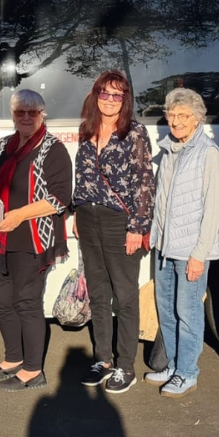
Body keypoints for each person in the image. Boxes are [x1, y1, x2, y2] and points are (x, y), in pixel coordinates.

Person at [0, 89, 72, 392]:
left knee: (27, 301)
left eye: (32, 112)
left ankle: (33, 370)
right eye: (20, 111)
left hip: (32, 237)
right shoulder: (3, 144)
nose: (26, 117)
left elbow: (59, 198)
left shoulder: (53, 148)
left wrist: (19, 215)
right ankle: (13, 358)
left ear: (42, 114)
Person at [72, 70, 154, 395]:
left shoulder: (134, 132)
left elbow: (145, 182)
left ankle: (126, 365)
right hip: (88, 218)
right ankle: (102, 360)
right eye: (104, 94)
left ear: (125, 100)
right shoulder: (86, 130)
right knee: (97, 292)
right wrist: (77, 211)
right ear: (96, 96)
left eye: (116, 95)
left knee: (124, 295)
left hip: (119, 221)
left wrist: (137, 226)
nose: (109, 100)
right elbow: (83, 175)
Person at [147, 88, 219, 398]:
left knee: (188, 312)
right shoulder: (168, 151)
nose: (176, 121)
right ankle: (174, 365)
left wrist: (199, 254)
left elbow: (213, 209)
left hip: (191, 250)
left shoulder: (208, 153)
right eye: (172, 115)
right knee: (166, 311)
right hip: (165, 248)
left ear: (197, 120)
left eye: (183, 116)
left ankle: (188, 372)